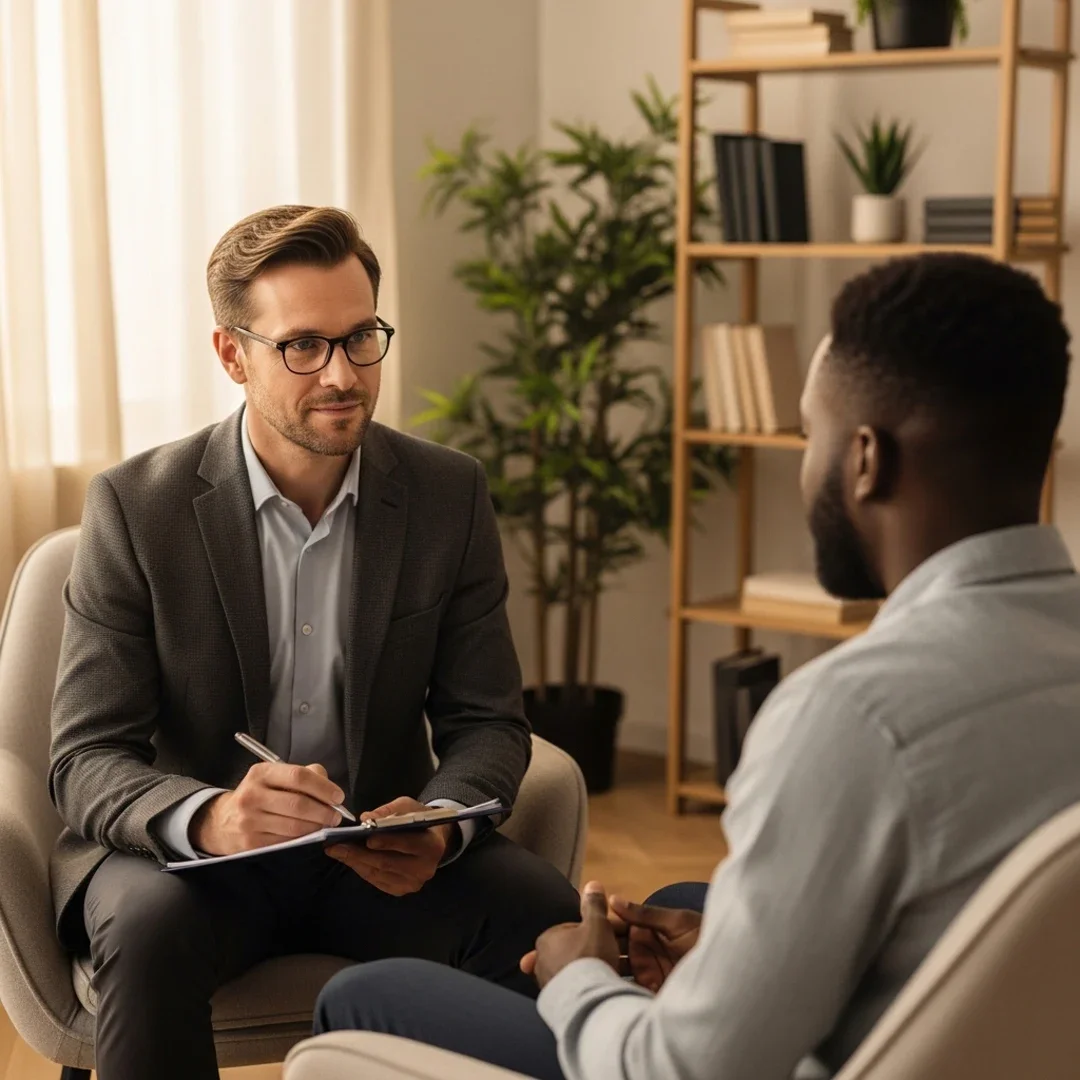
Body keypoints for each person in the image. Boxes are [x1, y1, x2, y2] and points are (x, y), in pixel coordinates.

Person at [314, 251, 1080, 1080]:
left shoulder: (855, 716)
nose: (803, 464)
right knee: (685, 907)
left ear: (865, 460)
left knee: (369, 995)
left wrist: (577, 981)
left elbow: (680, 1072)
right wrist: (733, 958)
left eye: (806, 432)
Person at [48, 204, 580, 1080]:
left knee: (538, 910)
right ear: (233, 355)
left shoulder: (448, 495)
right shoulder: (136, 508)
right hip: (189, 864)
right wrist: (210, 817)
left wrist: (443, 825)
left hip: (372, 855)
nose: (342, 374)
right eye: (303, 345)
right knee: (146, 933)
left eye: (360, 336)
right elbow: (85, 757)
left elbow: (488, 721)